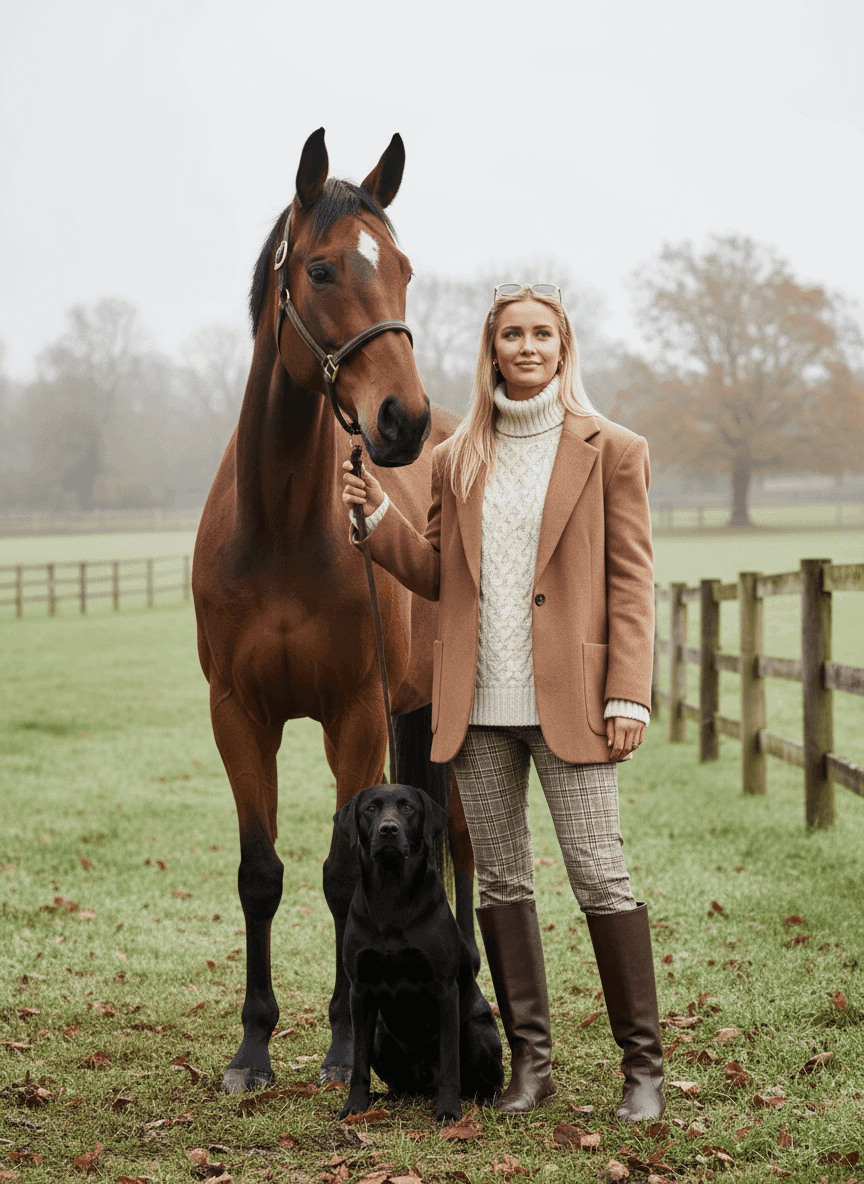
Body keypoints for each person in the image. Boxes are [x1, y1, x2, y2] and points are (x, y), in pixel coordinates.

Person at [341, 284, 664, 1121]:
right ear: (492, 349)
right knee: (502, 883)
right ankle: (531, 1066)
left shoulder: (613, 450)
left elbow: (632, 582)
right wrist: (377, 520)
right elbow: (438, 574)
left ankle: (643, 1070)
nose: (527, 347)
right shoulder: (457, 458)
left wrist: (629, 689)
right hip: (477, 704)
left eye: (542, 335)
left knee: (601, 875)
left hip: (578, 704)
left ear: (564, 348)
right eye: (511, 335)